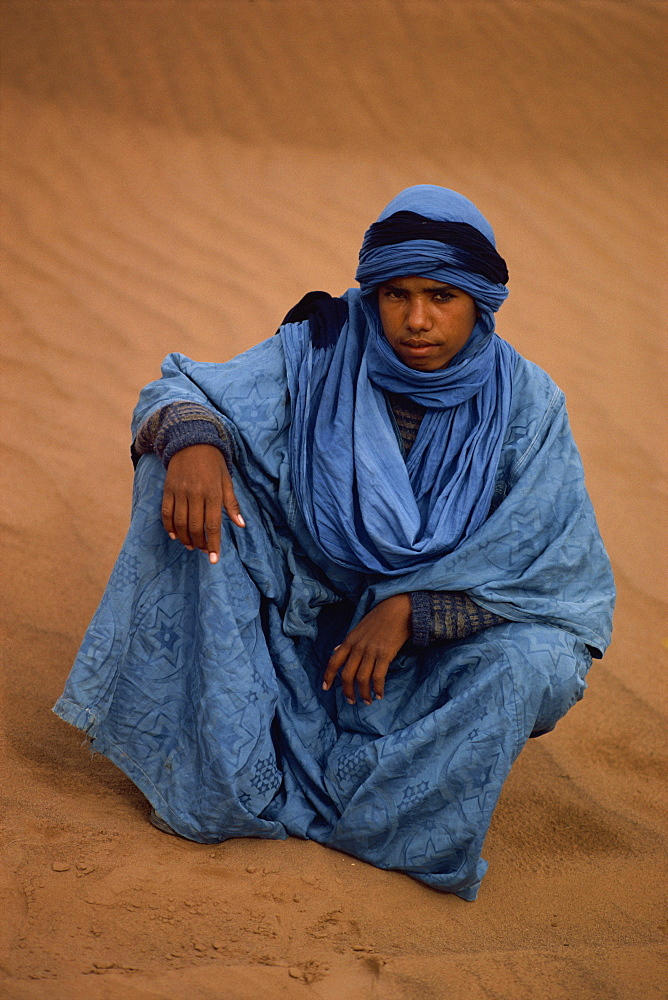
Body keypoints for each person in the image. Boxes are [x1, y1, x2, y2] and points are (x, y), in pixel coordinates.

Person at [54, 185, 614, 901]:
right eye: (396, 295)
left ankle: (388, 816)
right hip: (304, 634)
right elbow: (183, 391)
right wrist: (193, 441)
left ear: (480, 302)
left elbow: (561, 578)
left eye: (441, 296)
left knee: (538, 659)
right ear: (372, 294)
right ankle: (232, 758)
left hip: (423, 659)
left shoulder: (529, 406)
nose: (416, 320)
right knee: (180, 462)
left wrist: (417, 611)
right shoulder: (322, 347)